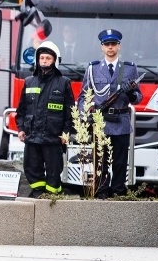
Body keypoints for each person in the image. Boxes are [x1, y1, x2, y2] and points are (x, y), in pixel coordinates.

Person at [78, 29, 143, 198]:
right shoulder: (93, 69)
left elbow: (138, 98)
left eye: (113, 44)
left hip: (121, 120)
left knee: (120, 162)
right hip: (101, 122)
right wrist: (84, 116)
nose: (110, 47)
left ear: (119, 46)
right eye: (107, 44)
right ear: (102, 47)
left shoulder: (129, 69)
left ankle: (118, 191)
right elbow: (84, 96)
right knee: (100, 161)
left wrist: (130, 93)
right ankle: (101, 191)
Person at [15, 40, 75, 197]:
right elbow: (21, 109)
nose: (44, 61)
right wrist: (21, 128)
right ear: (37, 60)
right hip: (32, 136)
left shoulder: (63, 83)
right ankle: (37, 195)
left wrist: (67, 132)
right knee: (32, 168)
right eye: (42, 58)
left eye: (48, 58)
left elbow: (70, 112)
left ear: (55, 60)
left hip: (53, 137)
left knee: (54, 170)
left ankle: (52, 199)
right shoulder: (29, 82)